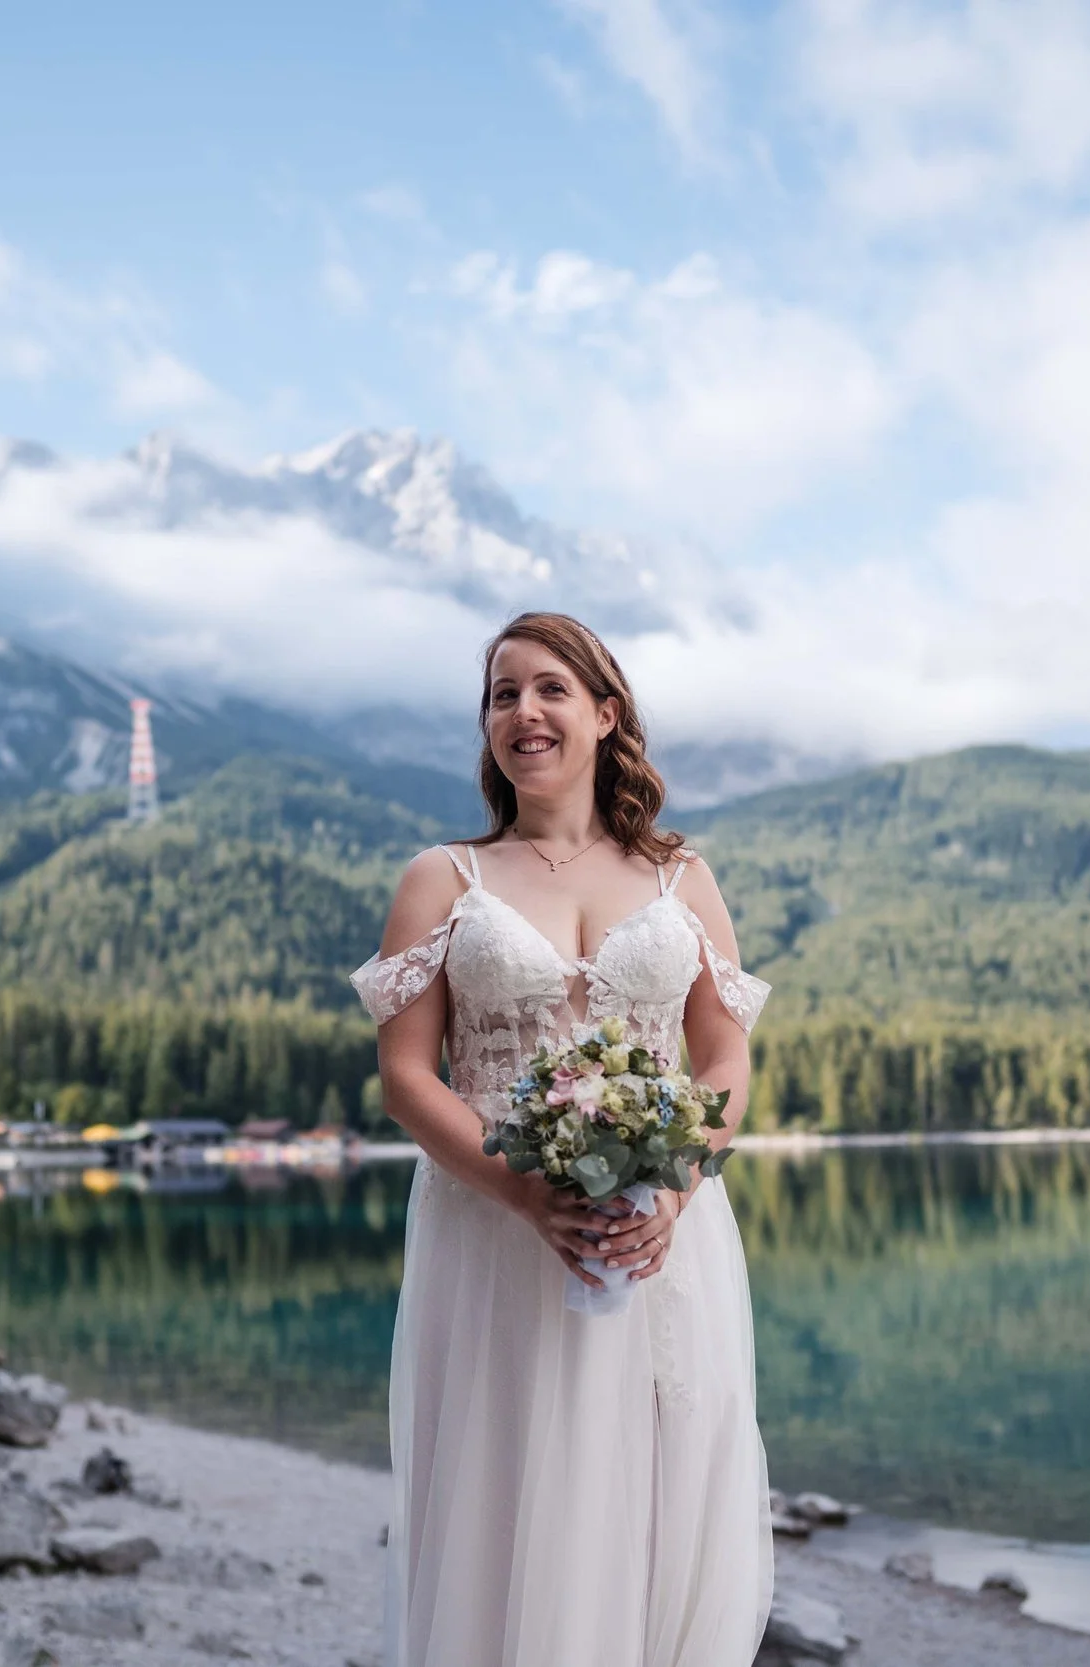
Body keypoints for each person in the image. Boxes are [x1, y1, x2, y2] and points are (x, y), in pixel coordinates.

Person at [350, 611, 774, 1667]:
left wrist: (672, 1187)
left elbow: (723, 1064)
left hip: (662, 1234)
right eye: (500, 694)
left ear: (603, 711)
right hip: (493, 1227)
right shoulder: (442, 878)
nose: (522, 712)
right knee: (503, 1491)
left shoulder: (685, 881)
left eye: (547, 688)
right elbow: (407, 1075)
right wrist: (528, 1191)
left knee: (658, 1487)